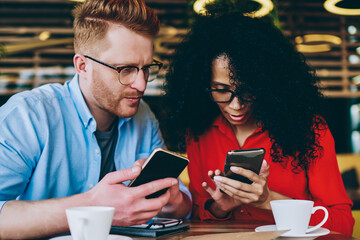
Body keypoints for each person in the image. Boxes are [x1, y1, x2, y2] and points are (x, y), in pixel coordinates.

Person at [0, 0, 192, 239]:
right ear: (83, 66)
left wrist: (170, 199)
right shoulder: (28, 115)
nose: (141, 84)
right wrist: (92, 206)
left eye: (146, 69)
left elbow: (183, 207)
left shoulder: (142, 115)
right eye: (125, 69)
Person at [163, 13, 354, 236]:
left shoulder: (309, 129)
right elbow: (197, 221)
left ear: (267, 85)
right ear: (202, 84)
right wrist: (221, 207)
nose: (236, 105)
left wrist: (268, 200)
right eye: (221, 90)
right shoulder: (197, 133)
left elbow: (343, 225)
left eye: (248, 90)